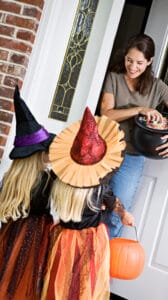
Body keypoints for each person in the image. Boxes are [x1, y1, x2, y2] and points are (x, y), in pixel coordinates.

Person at [100, 33, 168, 238]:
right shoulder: (114, 79)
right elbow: (106, 114)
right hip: (105, 151)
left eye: (139, 62)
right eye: (129, 60)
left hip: (133, 157)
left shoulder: (157, 87)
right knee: (93, 204)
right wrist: (139, 109)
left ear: (149, 61)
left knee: (117, 215)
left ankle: (100, 264)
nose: (132, 66)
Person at [41, 107, 134, 300]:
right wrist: (124, 214)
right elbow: (114, 203)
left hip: (63, 237)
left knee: (60, 279)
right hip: (90, 240)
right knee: (84, 283)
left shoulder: (59, 181)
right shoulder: (100, 188)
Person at [0, 85, 55, 299]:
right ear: (38, 154)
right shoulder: (46, 180)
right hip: (33, 240)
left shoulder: (11, 178)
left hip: (9, 235)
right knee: (23, 283)